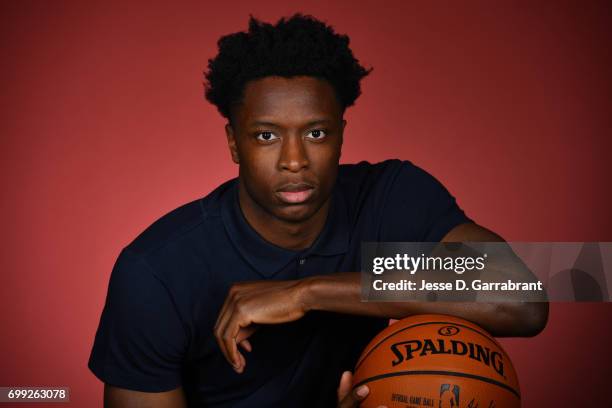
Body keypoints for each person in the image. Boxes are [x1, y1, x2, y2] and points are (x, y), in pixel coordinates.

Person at [88, 13, 548, 408]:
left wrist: (306, 293)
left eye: (316, 134)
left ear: (342, 134)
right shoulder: (157, 271)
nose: (294, 160)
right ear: (233, 142)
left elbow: (525, 299)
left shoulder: (389, 198)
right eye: (267, 135)